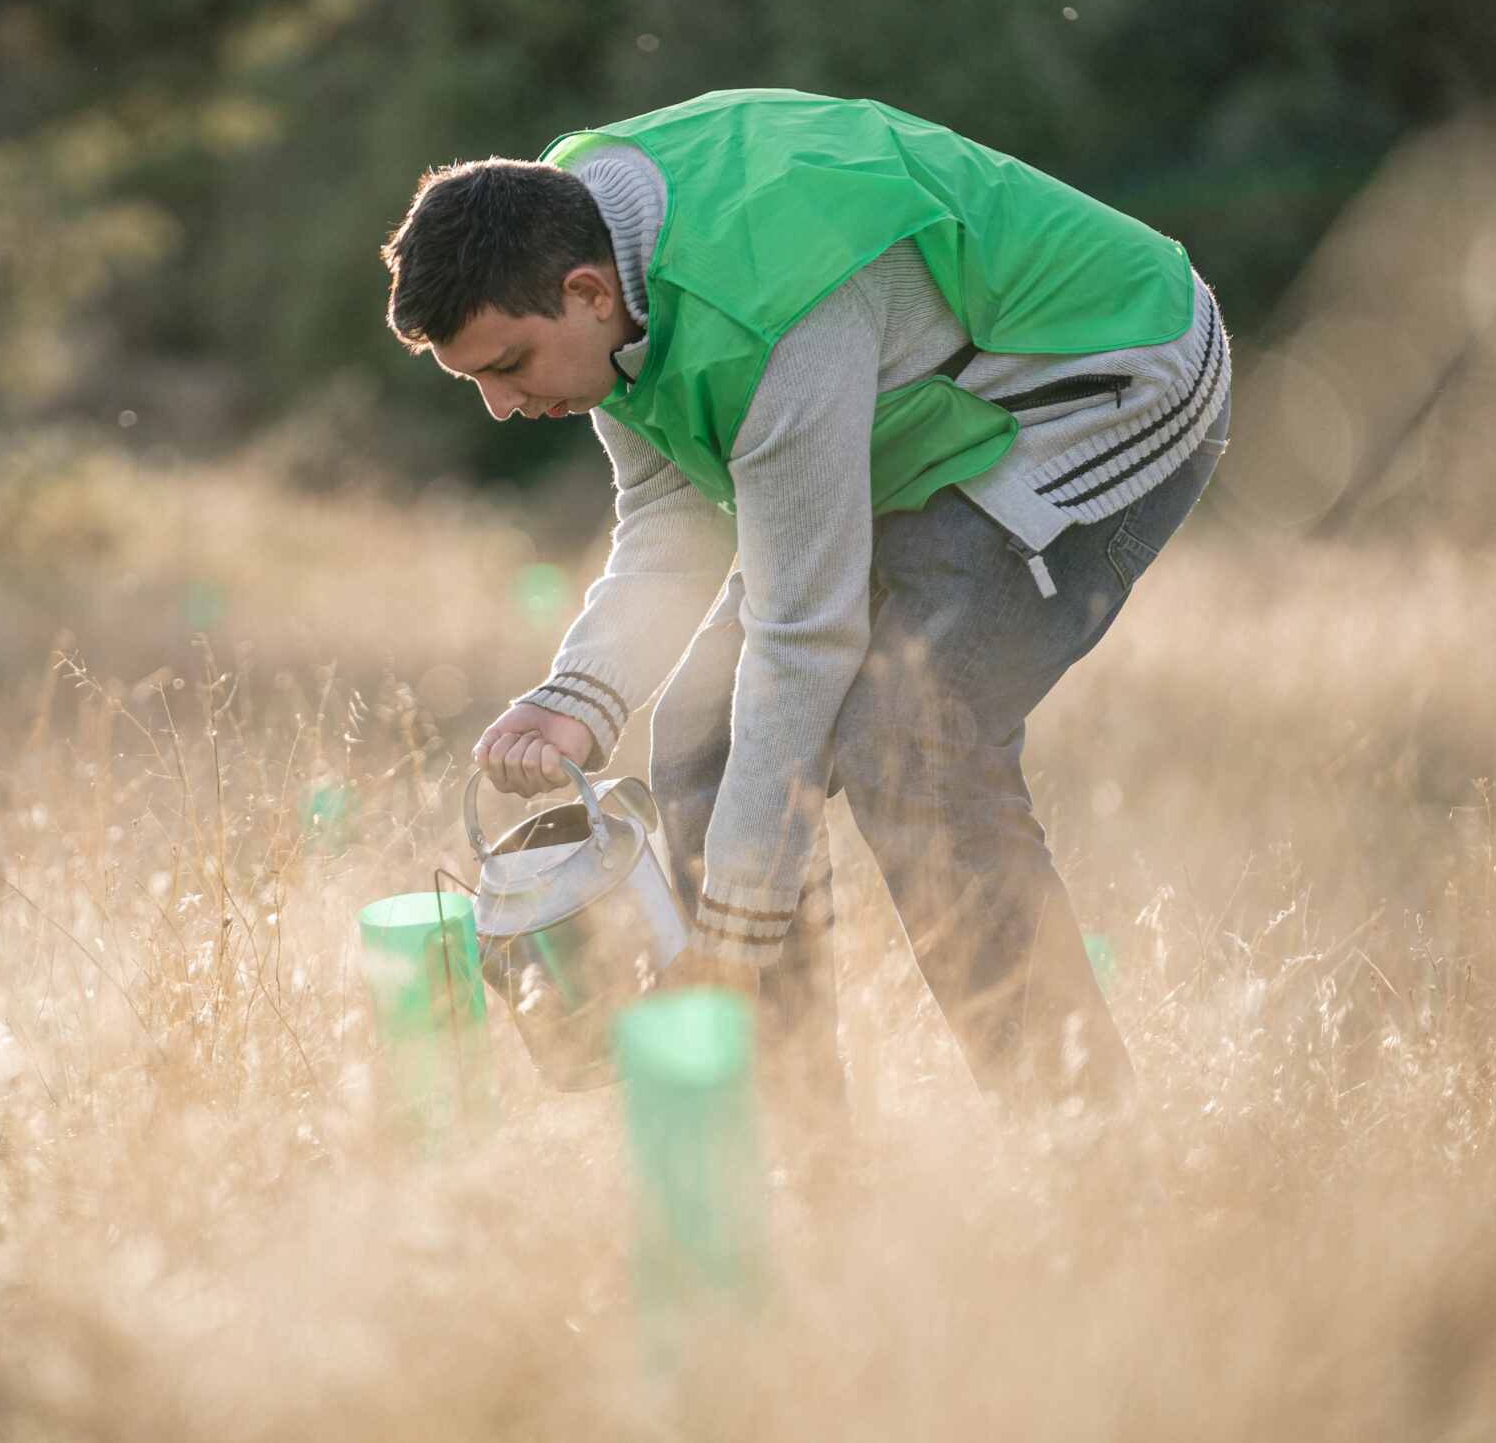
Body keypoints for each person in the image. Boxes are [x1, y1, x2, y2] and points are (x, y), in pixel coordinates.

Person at [380, 88, 1229, 1107]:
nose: (504, 405)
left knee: (911, 740)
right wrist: (577, 698)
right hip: (920, 411)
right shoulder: (588, 250)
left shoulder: (763, 314)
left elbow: (802, 636)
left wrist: (732, 935)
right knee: (698, 737)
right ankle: (796, 1161)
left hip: (1106, 378)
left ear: (587, 292)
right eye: (475, 380)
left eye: (509, 366)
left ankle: (1082, 1141)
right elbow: (672, 514)